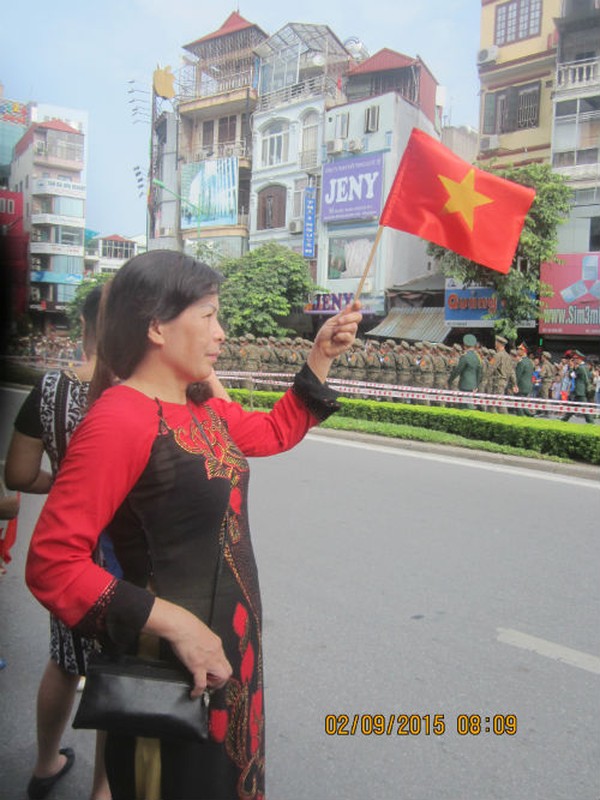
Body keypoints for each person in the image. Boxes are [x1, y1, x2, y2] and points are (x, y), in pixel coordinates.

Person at [24, 250, 362, 800]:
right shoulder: (119, 419)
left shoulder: (201, 409)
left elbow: (274, 432)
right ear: (156, 325)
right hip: (173, 665)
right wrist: (179, 627)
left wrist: (320, 355)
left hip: (227, 651)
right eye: (207, 315)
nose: (221, 332)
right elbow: (52, 565)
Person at [4, 288, 112, 800]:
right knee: (115, 668)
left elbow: (19, 474)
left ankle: (46, 764)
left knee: (65, 659)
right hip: (124, 546)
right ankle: (103, 790)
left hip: (68, 543)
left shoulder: (47, 389)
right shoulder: (139, 391)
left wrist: (63, 480)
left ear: (84, 326)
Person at [449, 333, 482, 409]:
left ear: (464, 345)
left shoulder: (465, 357)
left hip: (464, 384)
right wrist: (476, 384)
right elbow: (479, 372)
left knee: (464, 405)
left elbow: (458, 370)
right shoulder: (477, 357)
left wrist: (450, 380)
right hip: (473, 384)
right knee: (468, 402)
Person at [560, 351, 594, 424]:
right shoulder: (585, 367)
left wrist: (571, 367)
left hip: (580, 391)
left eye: (575, 359)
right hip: (581, 390)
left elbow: (571, 375)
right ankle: (565, 418)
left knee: (584, 407)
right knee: (573, 406)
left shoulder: (580, 368)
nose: (574, 361)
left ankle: (590, 421)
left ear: (579, 359)